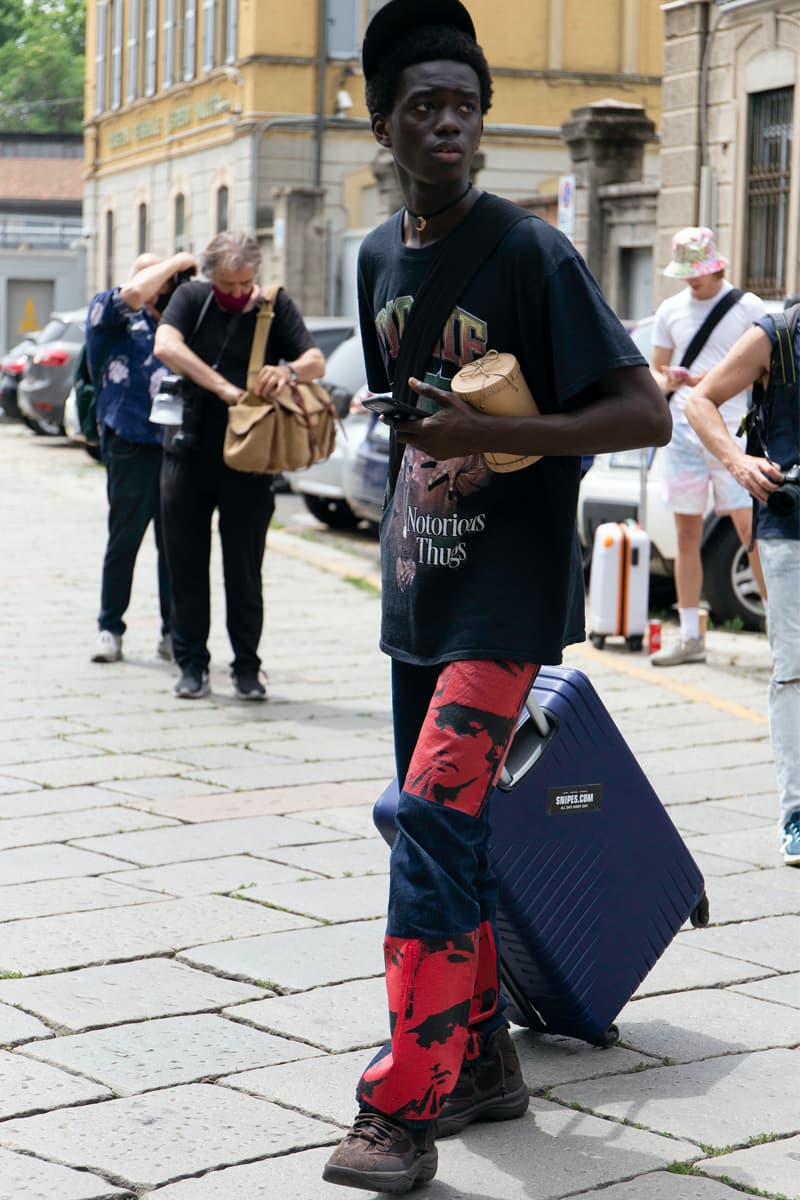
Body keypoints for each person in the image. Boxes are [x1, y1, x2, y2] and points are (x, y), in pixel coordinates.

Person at [322, 1, 671, 1192]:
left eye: (464, 106)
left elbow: (642, 411)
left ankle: (401, 1106)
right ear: (383, 125)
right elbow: (409, 419)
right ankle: (479, 1063)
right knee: (443, 836)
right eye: (423, 106)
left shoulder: (529, 253)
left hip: (508, 596)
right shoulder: (373, 258)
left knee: (427, 820)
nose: (448, 124)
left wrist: (481, 428)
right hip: (419, 585)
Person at [153, 231, 325, 701]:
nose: (237, 293)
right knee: (185, 566)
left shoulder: (273, 305)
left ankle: (247, 669)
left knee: (245, 570)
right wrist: (222, 389)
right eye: (227, 284)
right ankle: (191, 666)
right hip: (186, 454)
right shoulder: (192, 298)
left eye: (245, 282)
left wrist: (288, 371)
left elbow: (315, 360)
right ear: (211, 278)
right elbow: (165, 345)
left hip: (251, 460)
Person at [685, 315, 800, 867]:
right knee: (794, 670)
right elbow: (699, 401)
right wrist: (738, 461)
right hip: (790, 526)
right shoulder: (777, 336)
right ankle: (796, 813)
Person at [649, 227, 766, 666]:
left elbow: (762, 371)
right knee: (685, 535)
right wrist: (670, 379)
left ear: (716, 264)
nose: (690, 281)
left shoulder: (747, 307)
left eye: (697, 272)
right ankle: (692, 637)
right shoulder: (670, 309)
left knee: (751, 532)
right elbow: (656, 371)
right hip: (682, 431)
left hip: (733, 433)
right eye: (685, 273)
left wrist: (710, 382)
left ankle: (781, 633)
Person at [86, 252, 196, 664]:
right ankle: (109, 628)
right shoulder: (110, 310)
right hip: (129, 442)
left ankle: (173, 632)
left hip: (173, 444)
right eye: (151, 276)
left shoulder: (178, 320)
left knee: (173, 546)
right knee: (124, 540)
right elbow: (132, 293)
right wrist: (173, 261)